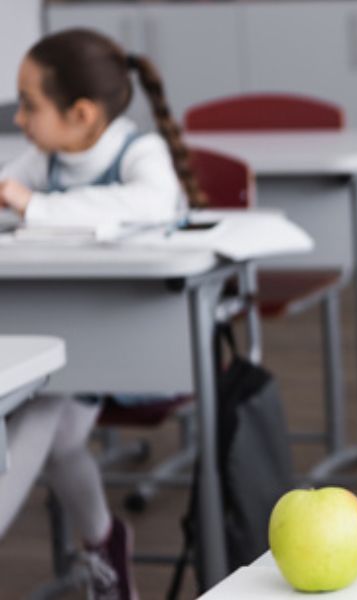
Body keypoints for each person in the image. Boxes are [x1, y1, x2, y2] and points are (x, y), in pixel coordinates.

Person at [0, 27, 204, 600]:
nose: (19, 119)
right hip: (73, 348)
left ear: (82, 114)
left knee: (43, 407)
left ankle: (102, 544)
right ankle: (103, 544)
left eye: (30, 105)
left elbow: (149, 205)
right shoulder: (47, 157)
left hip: (140, 348)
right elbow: (8, 188)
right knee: (57, 428)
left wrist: (35, 207)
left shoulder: (138, 153)